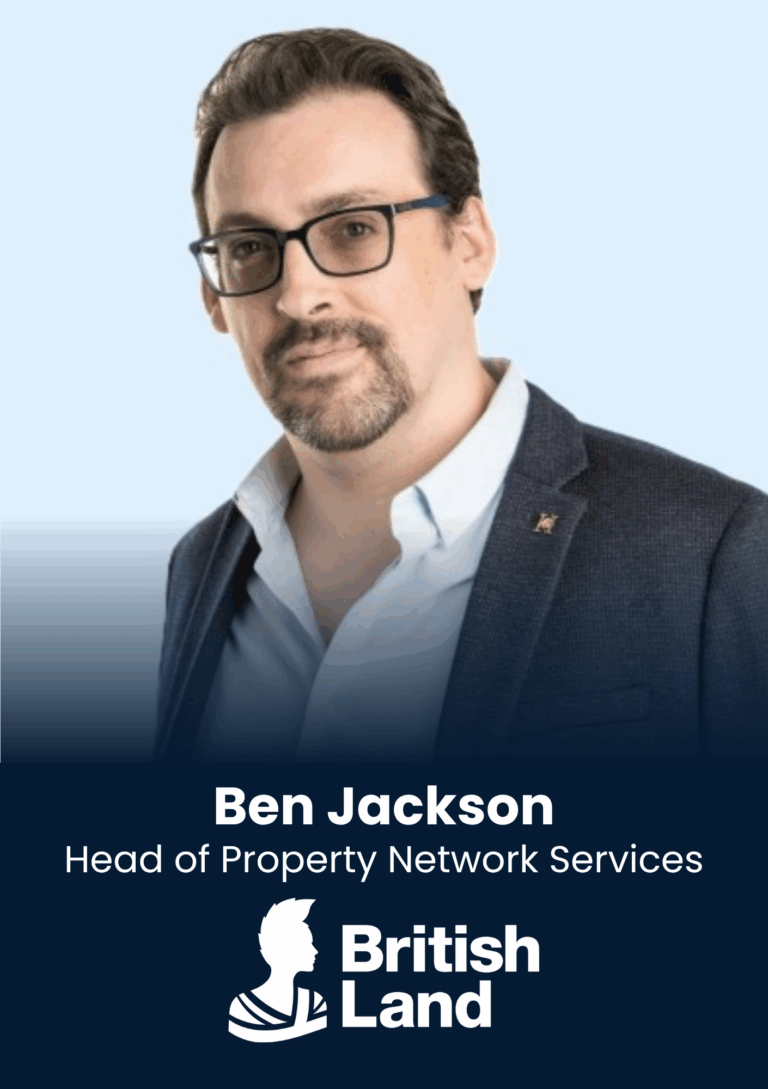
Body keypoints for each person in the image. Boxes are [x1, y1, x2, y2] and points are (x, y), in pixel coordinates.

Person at [156, 28, 768, 762]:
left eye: (353, 228)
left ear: (469, 241)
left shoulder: (710, 552)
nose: (298, 294)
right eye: (251, 247)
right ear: (212, 295)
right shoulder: (202, 568)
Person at [229, 898, 327, 1042]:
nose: (315, 951)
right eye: (308, 944)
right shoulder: (242, 1008)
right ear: (286, 950)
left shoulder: (315, 1003)